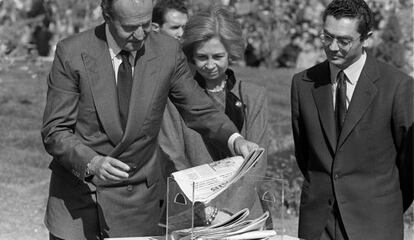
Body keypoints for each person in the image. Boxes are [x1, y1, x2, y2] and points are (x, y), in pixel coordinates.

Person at [41, 0, 259, 239]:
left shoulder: (166, 51)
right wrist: (91, 163)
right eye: (129, 27)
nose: (139, 34)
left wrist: (234, 139)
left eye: (145, 25)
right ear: (107, 16)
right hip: (81, 201)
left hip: (138, 203)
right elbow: (56, 130)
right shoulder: (72, 52)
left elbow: (199, 108)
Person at [291, 0, 413, 240]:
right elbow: (304, 153)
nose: (333, 47)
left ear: (366, 38)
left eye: (344, 41)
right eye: (327, 37)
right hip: (318, 225)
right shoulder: (302, 84)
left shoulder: (398, 87)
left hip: (375, 224)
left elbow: (410, 164)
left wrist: (384, 206)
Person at [159, 5, 269, 224]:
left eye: (218, 56)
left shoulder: (254, 96)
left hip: (244, 216)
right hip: (193, 216)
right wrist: (205, 212)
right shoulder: (174, 98)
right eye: (202, 57)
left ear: (232, 52)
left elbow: (257, 160)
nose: (210, 65)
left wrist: (229, 212)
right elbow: (173, 159)